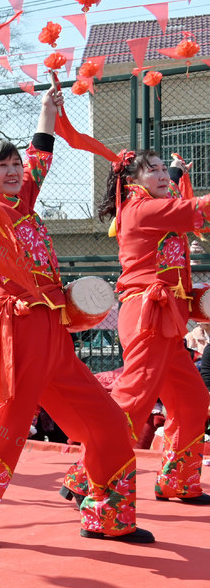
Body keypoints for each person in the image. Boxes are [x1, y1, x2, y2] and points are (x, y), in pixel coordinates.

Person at [0, 82, 154, 548]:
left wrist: (47, 110)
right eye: (2, 164)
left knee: (106, 423)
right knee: (7, 428)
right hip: (17, 332)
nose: (15, 170)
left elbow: (41, 153)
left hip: (54, 333)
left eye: (15, 163)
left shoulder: (24, 205)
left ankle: (109, 516)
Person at [60, 150, 210, 506]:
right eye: (152, 171)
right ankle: (85, 476)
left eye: (163, 169)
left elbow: (175, 193)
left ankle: (178, 480)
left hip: (166, 318)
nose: (162, 176)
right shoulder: (142, 210)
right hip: (147, 315)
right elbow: (197, 210)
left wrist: (174, 170)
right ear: (132, 182)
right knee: (133, 401)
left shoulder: (157, 204)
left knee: (192, 401)